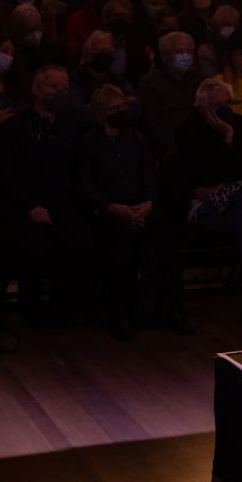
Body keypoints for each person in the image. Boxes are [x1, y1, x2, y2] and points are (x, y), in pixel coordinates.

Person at [0, 65, 95, 324]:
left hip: (62, 202)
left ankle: (65, 305)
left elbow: (76, 174)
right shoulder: (15, 128)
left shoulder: (70, 127)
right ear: (36, 89)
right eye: (53, 87)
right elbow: (7, 175)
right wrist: (31, 205)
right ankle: (31, 306)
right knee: (33, 243)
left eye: (65, 88)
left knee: (81, 240)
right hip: (25, 204)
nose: (60, 93)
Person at [174, 80, 242, 329]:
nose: (225, 110)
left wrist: (229, 135)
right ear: (202, 106)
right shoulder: (188, 129)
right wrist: (226, 140)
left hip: (239, 200)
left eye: (228, 103)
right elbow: (196, 178)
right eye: (218, 105)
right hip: (208, 208)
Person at [78, 84, 169, 340]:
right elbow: (86, 184)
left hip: (140, 205)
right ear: (100, 113)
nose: (119, 113)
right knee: (120, 241)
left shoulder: (138, 139)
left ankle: (168, 307)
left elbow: (150, 179)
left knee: (163, 231)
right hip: (109, 209)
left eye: (122, 108)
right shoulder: (90, 143)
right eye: (112, 109)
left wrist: (148, 204)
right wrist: (112, 206)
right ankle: (120, 312)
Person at [138, 31, 204, 157]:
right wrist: (178, 144)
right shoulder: (150, 83)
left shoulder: (200, 80)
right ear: (164, 55)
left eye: (189, 51)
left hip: (199, 143)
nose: (185, 56)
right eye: (179, 51)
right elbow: (152, 124)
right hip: (169, 148)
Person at [196, 4, 240, 78]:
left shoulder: (239, 46)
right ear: (217, 25)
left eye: (234, 25)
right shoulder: (206, 50)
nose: (230, 28)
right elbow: (211, 77)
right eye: (226, 25)